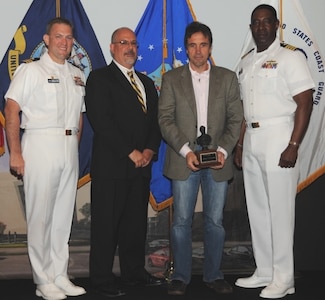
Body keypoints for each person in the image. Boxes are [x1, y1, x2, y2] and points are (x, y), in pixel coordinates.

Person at [234, 4, 314, 299]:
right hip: (253, 137)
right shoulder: (245, 63)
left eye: (267, 22)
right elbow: (245, 110)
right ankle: (265, 270)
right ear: (251, 27)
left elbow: (305, 101)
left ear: (277, 25)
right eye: (256, 22)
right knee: (258, 210)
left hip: (280, 135)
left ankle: (284, 278)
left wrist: (293, 144)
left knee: (281, 211)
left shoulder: (289, 57)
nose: (261, 27)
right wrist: (241, 145)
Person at [158, 21, 243, 296]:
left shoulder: (228, 78)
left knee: (215, 222)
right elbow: (165, 119)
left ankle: (214, 275)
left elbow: (236, 119)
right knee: (181, 221)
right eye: (192, 45)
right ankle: (181, 277)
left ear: (210, 47)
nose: (198, 51)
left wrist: (223, 151)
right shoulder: (172, 79)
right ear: (186, 48)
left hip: (218, 160)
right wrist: (186, 151)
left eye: (203, 44)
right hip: (185, 160)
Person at [4, 18, 86, 300]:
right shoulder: (31, 70)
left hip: (68, 145)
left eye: (69, 37)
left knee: (63, 217)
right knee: (40, 216)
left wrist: (72, 145)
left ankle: (59, 274)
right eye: (58, 36)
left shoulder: (76, 74)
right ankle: (42, 279)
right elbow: (11, 110)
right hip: (40, 142)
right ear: (47, 39)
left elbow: (79, 116)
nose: (64, 42)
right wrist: (15, 152)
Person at [85, 27, 162, 298]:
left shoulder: (146, 82)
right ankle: (102, 279)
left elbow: (155, 121)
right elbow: (102, 122)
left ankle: (133, 274)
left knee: (135, 225)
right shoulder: (98, 79)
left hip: (141, 168)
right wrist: (131, 152)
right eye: (123, 42)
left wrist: (151, 149)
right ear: (112, 47)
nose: (130, 47)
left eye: (133, 43)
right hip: (112, 167)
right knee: (106, 227)